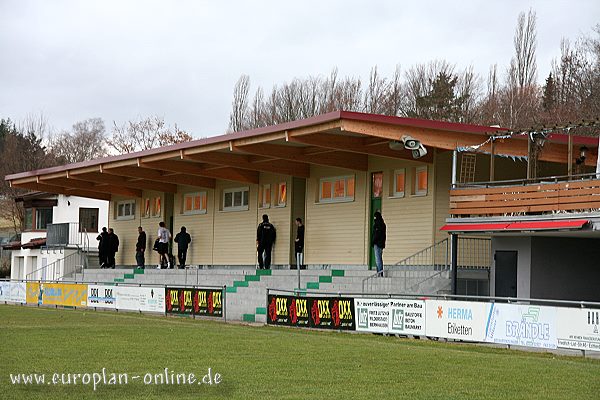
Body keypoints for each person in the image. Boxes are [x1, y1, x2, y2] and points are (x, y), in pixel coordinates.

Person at [372, 211, 386, 276]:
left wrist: (373, 242)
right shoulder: (383, 224)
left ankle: (379, 273)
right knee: (379, 259)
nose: (374, 218)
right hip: (381, 244)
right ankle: (380, 272)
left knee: (378, 260)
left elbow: (376, 235)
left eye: (375, 216)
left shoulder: (377, 225)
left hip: (377, 244)